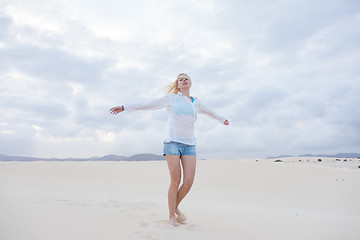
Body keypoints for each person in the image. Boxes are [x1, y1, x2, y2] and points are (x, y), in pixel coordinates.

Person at [109, 73, 230, 226]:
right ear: (178, 85)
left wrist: (222, 119)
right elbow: (149, 104)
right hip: (172, 142)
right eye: (180, 79)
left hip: (190, 144)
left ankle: (175, 206)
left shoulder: (196, 102)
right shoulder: (172, 98)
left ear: (190, 83)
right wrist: (125, 107)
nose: (184, 80)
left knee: (188, 182)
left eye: (186, 78)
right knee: (176, 180)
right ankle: (172, 216)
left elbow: (210, 112)